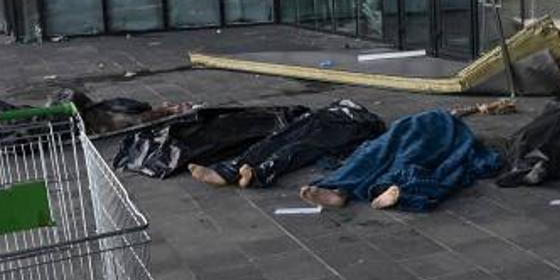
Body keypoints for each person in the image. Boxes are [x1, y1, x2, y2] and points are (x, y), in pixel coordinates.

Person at [299, 109, 503, 211]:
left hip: (417, 138)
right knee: (372, 155)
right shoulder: (435, 119)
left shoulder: (448, 124)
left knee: (396, 158)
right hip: (401, 136)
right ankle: (339, 190)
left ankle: (368, 189)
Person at [189, 100, 385, 189]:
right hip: (325, 121)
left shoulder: (362, 123)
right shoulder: (333, 112)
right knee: (278, 139)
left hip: (340, 128)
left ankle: (258, 174)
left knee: (299, 146)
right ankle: (229, 170)